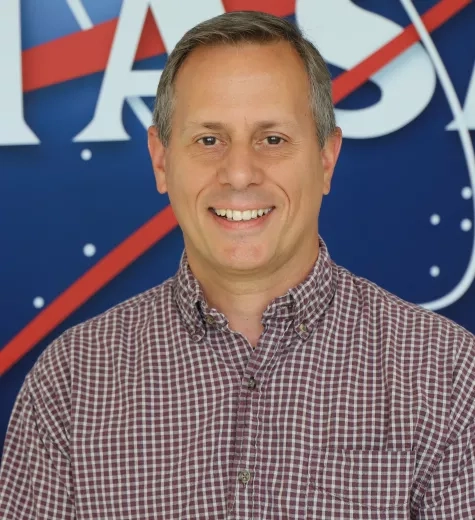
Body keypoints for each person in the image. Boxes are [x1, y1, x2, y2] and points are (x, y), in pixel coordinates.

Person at [1, 10, 474, 520]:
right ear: (161, 161)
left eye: (273, 139)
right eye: (209, 139)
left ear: (326, 159)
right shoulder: (71, 383)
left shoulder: (446, 376)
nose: (240, 172)